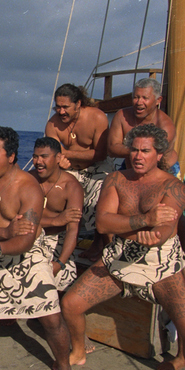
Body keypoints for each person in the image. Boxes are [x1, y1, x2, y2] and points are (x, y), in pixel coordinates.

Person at [61, 124, 185, 370]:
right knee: (70, 304)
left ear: (159, 154)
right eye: (134, 149)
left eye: (145, 151)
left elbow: (162, 233)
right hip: (119, 258)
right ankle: (80, 351)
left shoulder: (173, 187)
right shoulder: (116, 179)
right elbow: (104, 223)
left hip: (162, 264)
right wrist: (144, 220)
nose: (138, 156)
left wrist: (133, 225)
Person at [0, 125, 85, 370]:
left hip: (24, 253)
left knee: (52, 317)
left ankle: (64, 367)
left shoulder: (28, 186)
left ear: (10, 156)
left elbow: (26, 239)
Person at [44, 84, 112, 262]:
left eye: (65, 107)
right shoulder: (53, 124)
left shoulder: (97, 117)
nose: (61, 111)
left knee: (100, 197)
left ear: (78, 104)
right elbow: (52, 154)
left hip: (98, 166)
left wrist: (64, 154)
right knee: (56, 192)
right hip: (71, 167)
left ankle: (101, 244)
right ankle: (58, 241)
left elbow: (100, 153)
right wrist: (60, 161)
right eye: (57, 107)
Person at [29, 137, 82, 292]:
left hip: (57, 241)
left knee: (64, 283)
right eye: (35, 157)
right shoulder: (28, 180)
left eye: (44, 157)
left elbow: (73, 229)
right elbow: (19, 219)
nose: (38, 161)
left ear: (58, 158)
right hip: (30, 236)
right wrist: (55, 220)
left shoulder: (71, 187)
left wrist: (60, 263)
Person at [107, 77, 179, 174]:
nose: (139, 102)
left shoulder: (165, 126)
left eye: (145, 98)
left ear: (158, 100)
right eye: (136, 97)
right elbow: (112, 148)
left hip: (163, 170)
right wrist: (140, 150)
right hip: (131, 169)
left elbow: (154, 155)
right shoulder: (122, 116)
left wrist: (133, 150)